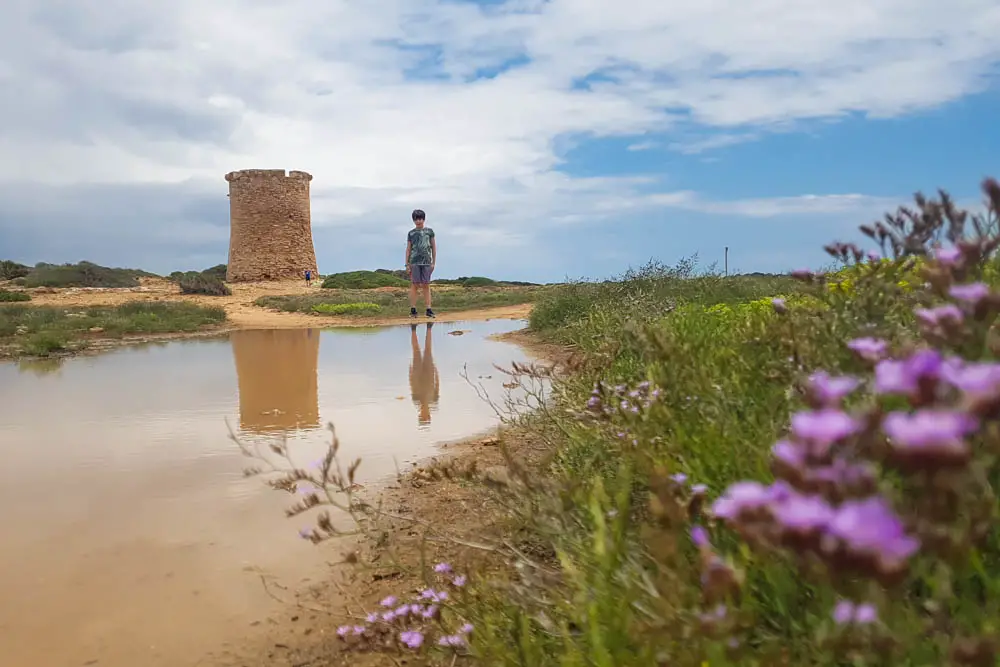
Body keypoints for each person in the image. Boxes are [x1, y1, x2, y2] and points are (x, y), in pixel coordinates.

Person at [405, 209, 436, 318]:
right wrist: (407, 264)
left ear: (424, 219)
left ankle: (428, 309)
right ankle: (413, 309)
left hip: (427, 262)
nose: (418, 221)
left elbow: (433, 247)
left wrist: (433, 262)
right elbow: (408, 249)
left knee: (426, 285)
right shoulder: (411, 233)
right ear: (413, 220)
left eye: (420, 219)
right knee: (414, 285)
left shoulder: (429, 232)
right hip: (414, 262)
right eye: (416, 219)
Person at [409, 322, 440, 426]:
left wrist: (410, 373)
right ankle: (428, 328)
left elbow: (412, 386)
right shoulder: (434, 402)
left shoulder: (416, 400)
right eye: (424, 417)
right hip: (427, 376)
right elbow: (437, 387)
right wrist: (436, 373)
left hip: (419, 375)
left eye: (422, 417)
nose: (423, 415)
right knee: (425, 350)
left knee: (418, 351)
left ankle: (414, 329)